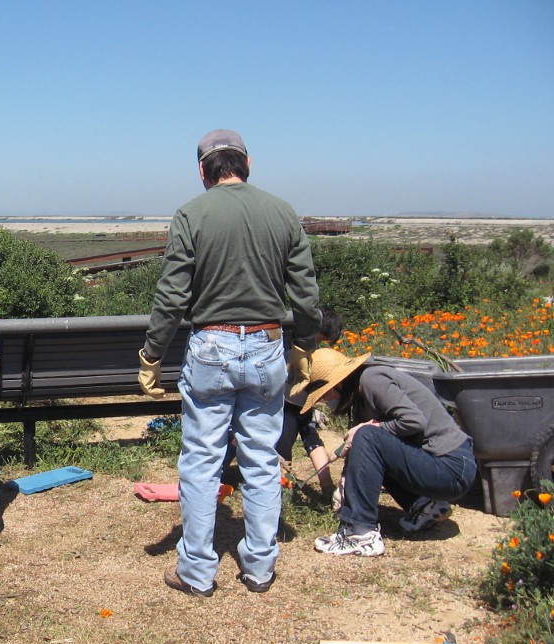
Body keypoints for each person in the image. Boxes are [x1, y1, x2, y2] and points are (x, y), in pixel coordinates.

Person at [139, 129, 321, 596]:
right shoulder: (282, 212)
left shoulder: (190, 214)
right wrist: (304, 344)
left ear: (202, 170)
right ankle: (259, 567)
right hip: (266, 343)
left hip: (211, 347)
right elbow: (305, 292)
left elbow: (172, 294)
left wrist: (152, 353)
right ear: (247, 164)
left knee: (201, 461)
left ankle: (197, 571)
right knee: (261, 459)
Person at [301, 348, 476, 556]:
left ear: (338, 382)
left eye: (325, 393)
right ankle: (423, 506)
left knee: (367, 434)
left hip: (453, 468)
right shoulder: (360, 399)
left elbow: (413, 421)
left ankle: (361, 533)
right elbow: (366, 454)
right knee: (367, 436)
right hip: (440, 466)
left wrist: (372, 427)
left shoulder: (371, 380)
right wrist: (346, 483)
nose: (325, 400)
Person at [278, 307, 343, 495]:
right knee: (287, 440)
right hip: (288, 404)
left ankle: (326, 483)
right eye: (320, 338)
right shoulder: (294, 350)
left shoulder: (309, 352)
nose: (320, 343)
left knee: (310, 438)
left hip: (303, 404)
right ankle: (282, 480)